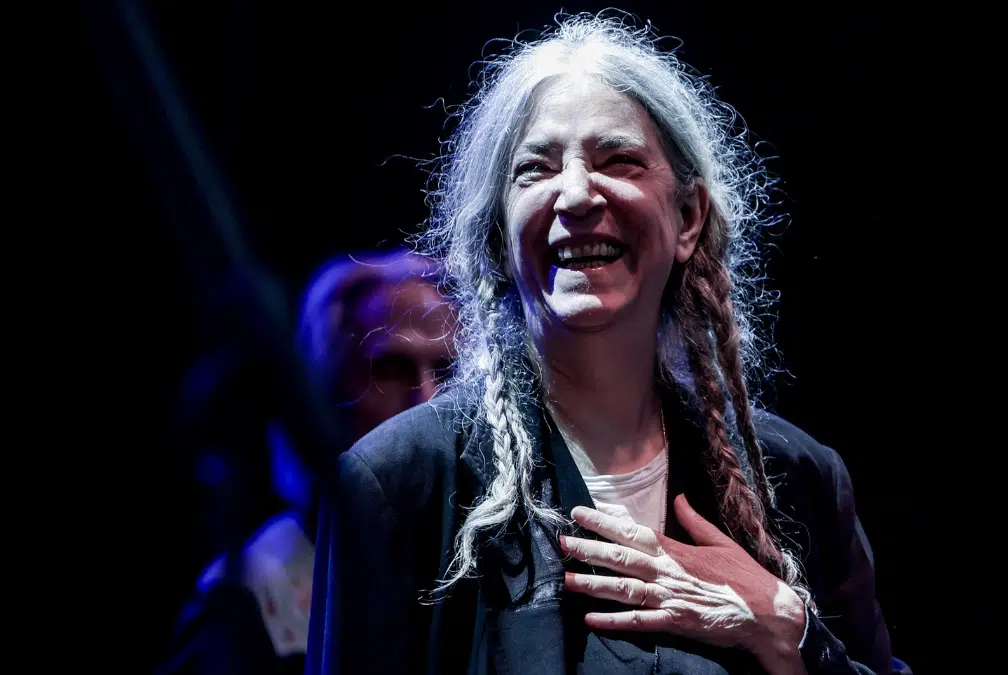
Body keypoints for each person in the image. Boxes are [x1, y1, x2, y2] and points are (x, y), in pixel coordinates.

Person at [307, 14, 909, 675]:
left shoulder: (797, 477)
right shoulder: (399, 484)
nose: (575, 194)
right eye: (535, 169)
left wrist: (788, 629)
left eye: (618, 160)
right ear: (499, 237)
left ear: (688, 217)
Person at [158, 248, 456, 675]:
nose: (428, 400)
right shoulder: (257, 593)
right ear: (323, 393)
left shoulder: (479, 556)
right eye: (389, 369)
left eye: (447, 372)